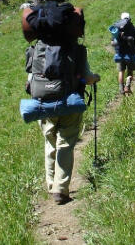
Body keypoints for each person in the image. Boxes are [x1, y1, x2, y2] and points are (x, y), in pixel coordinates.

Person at [38, 59, 99, 204]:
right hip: (70, 101)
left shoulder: (39, 49)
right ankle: (60, 189)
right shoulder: (75, 50)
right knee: (65, 143)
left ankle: (52, 184)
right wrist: (96, 77)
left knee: (50, 142)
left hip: (44, 102)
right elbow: (88, 78)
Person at [111, 12, 135, 95]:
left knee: (121, 71)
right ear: (129, 19)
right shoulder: (134, 29)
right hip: (131, 54)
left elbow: (112, 42)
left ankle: (121, 89)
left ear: (121, 19)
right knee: (130, 71)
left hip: (120, 54)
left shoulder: (117, 30)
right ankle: (127, 86)